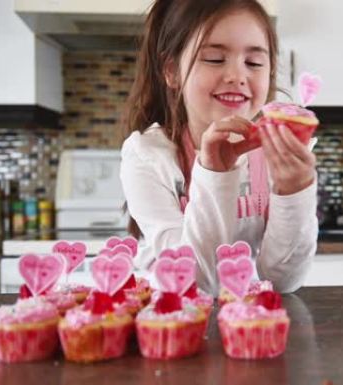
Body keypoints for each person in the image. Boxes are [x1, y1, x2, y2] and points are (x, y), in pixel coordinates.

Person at [120, 0, 317, 295]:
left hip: (254, 325)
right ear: (172, 71)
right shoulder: (147, 156)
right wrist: (214, 174)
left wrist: (295, 191)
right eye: (214, 58)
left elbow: (282, 280)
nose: (237, 76)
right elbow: (195, 283)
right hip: (176, 322)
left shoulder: (278, 151)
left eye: (254, 63)